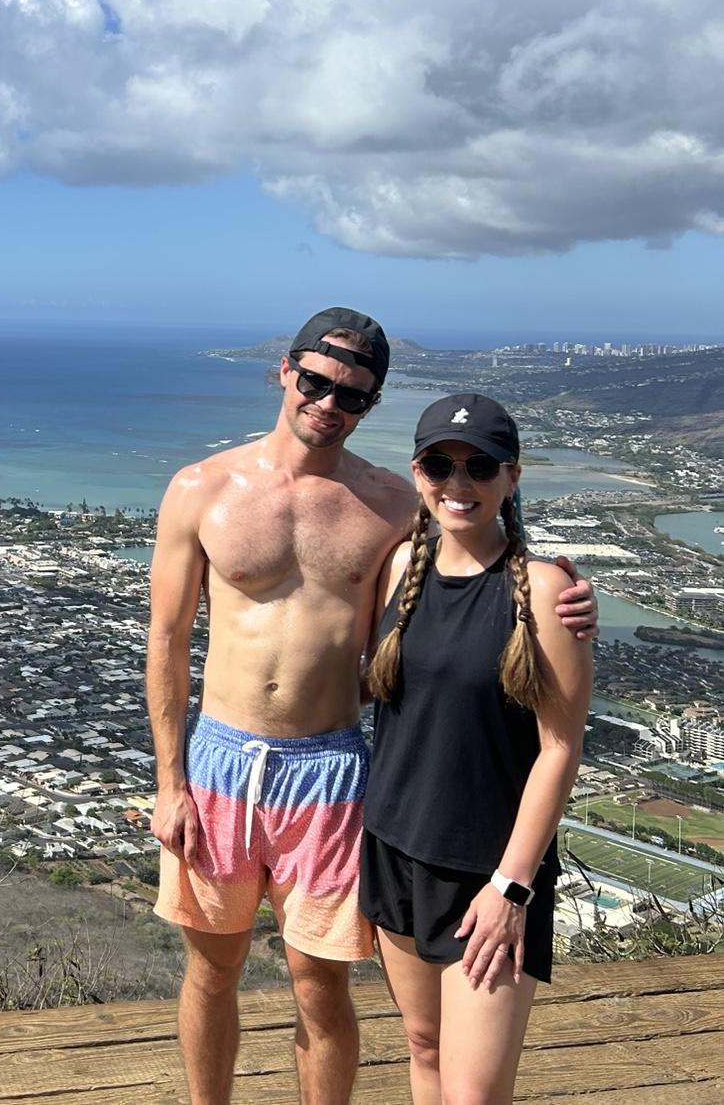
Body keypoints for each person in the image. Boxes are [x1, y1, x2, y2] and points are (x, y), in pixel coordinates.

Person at [147, 310, 597, 1105]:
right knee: (210, 974)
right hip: (219, 759)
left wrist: (565, 590)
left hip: (329, 766)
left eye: (351, 394)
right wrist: (169, 782)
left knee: (320, 987)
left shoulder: (393, 507)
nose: (328, 402)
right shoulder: (200, 489)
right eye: (315, 381)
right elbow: (167, 641)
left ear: (371, 404)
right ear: (284, 371)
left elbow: (473, 563)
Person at [360, 394, 593, 1104]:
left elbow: (560, 750)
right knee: (424, 1049)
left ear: (512, 477)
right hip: (395, 849)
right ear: (418, 472)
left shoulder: (545, 593)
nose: (457, 484)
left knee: (474, 1094)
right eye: (439, 465)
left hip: (488, 873)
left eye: (480, 467)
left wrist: (512, 887)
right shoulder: (400, 567)